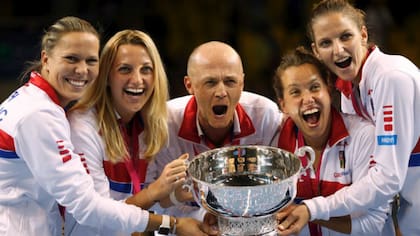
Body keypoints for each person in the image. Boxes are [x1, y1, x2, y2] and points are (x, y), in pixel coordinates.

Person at [0, 17, 214, 236]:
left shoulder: (142, 127)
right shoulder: (46, 117)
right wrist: (171, 222)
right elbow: (90, 214)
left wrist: (174, 199)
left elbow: (125, 213)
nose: (82, 70)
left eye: (91, 61)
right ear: (46, 59)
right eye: (71, 58)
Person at [277, 0, 420, 235]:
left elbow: (387, 178)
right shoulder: (348, 91)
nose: (338, 50)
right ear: (315, 50)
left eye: (345, 37)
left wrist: (312, 208)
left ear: (363, 34)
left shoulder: (391, 77)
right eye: (326, 42)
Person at [65, 29, 217, 235]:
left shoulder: (149, 127)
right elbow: (98, 220)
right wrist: (160, 200)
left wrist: (175, 197)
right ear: (106, 76)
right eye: (125, 69)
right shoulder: (83, 127)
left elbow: (143, 214)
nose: (137, 80)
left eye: (146, 69)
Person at [145, 41, 283, 221]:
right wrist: (196, 214)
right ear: (190, 85)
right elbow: (150, 201)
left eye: (230, 81)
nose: (221, 92)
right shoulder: (163, 123)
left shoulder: (266, 116)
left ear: (242, 83)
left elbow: (278, 192)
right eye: (210, 82)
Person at [273, 46, 389, 235]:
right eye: (295, 92)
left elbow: (373, 225)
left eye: (314, 87)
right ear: (283, 105)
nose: (308, 99)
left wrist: (309, 212)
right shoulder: (276, 144)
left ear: (328, 88)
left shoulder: (363, 136)